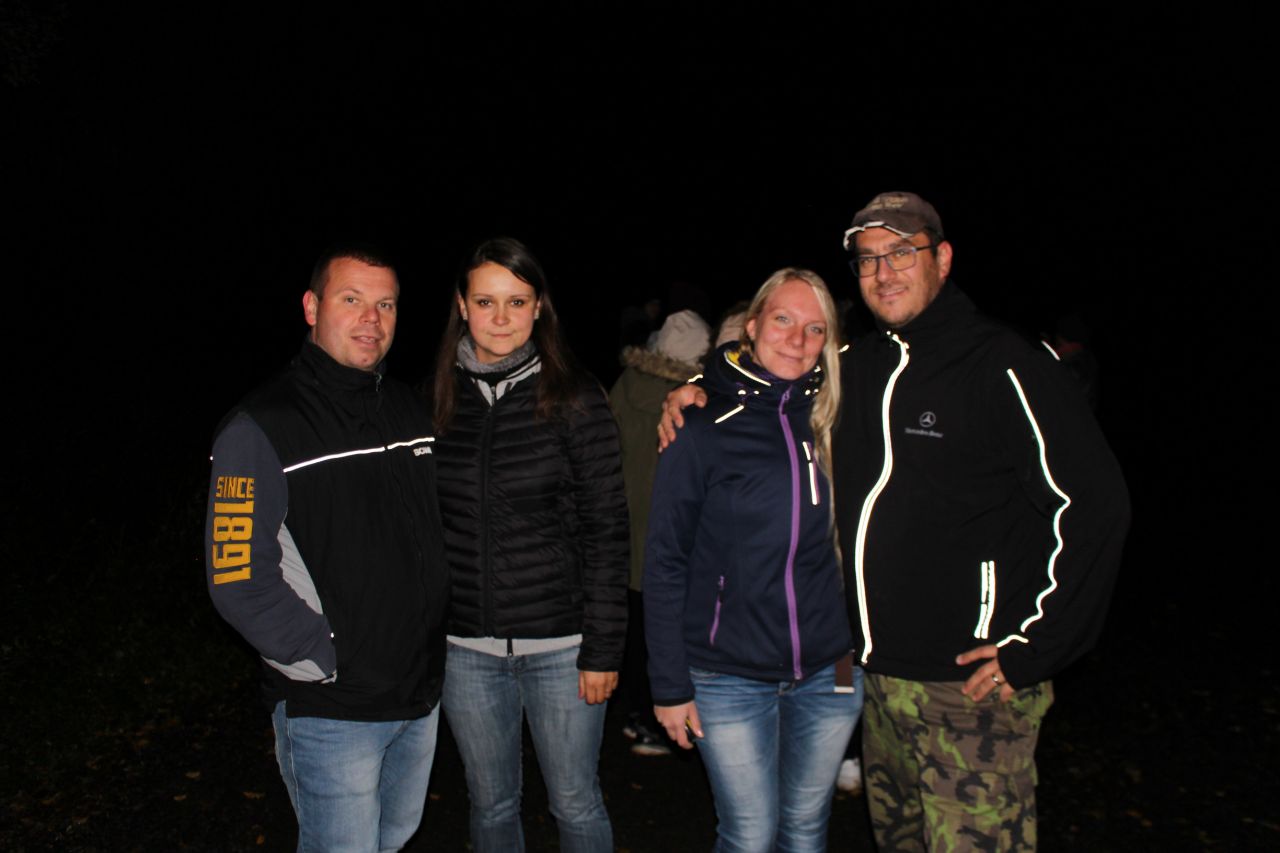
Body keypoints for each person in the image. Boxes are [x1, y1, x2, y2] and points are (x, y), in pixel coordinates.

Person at [660, 192, 1130, 851]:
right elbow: (770, 381)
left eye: (902, 253)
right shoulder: (858, 367)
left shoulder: (1003, 363)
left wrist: (1039, 645)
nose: (883, 272)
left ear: (942, 258)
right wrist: (699, 390)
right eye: (868, 259)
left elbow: (1095, 504)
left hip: (970, 686)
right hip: (875, 681)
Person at [205, 245, 448, 852]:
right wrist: (322, 656)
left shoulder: (407, 408)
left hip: (418, 694)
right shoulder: (260, 426)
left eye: (385, 304)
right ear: (312, 307)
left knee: (393, 839)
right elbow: (236, 576)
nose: (371, 318)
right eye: (352, 299)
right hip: (333, 706)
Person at [645, 269, 863, 853]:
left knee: (806, 829)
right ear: (752, 324)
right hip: (728, 678)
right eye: (783, 320)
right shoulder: (700, 427)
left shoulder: (841, 415)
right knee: (749, 834)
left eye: (815, 328)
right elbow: (664, 561)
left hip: (835, 669)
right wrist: (669, 686)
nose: (796, 339)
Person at [431, 237, 629, 853]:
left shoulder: (574, 396)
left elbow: (607, 528)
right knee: (490, 805)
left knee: (575, 801)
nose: (500, 317)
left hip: (563, 650)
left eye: (516, 302)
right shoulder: (435, 399)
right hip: (466, 650)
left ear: (538, 307)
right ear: (462, 305)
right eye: (485, 301)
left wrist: (603, 649)